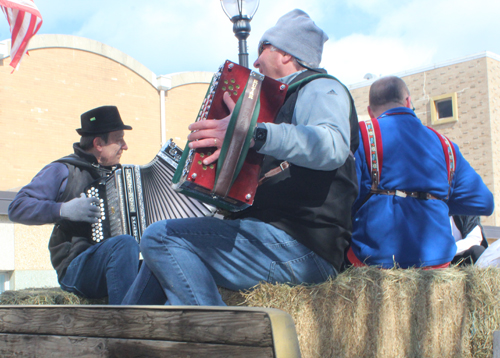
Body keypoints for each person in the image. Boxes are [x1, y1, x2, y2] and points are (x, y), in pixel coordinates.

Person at [122, 9, 359, 306]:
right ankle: (112, 342)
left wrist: (253, 134)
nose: (256, 61)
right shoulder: (276, 105)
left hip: (302, 247)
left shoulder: (321, 87)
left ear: (287, 54)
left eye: (263, 49)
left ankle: (218, 340)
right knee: (155, 260)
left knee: (161, 238)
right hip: (272, 239)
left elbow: (332, 146)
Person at [348, 76, 494, 269]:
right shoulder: (446, 145)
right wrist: (435, 201)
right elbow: (485, 203)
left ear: (369, 111)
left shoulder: (361, 135)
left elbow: (343, 198)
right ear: (408, 101)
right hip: (436, 266)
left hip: (371, 264)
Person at [8, 106, 140, 304]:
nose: (125, 146)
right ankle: (125, 328)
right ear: (98, 143)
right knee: (124, 244)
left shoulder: (121, 177)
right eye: (119, 139)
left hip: (116, 262)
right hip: (76, 266)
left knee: (161, 262)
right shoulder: (63, 170)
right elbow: (18, 207)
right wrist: (63, 210)